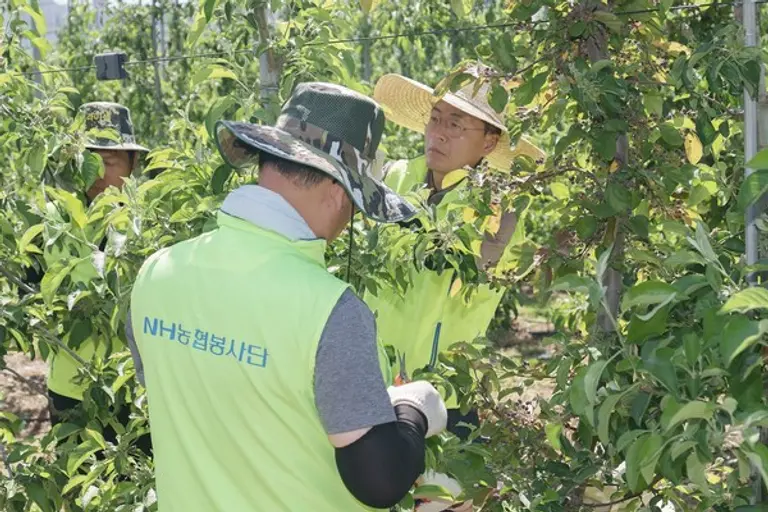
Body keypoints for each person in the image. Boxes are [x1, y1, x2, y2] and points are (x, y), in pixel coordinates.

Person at [125, 82, 449, 511]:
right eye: (354, 204)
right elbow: (378, 480)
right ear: (338, 193)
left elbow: (210, 397)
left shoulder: (157, 274)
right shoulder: (329, 309)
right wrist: (414, 411)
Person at [362, 63, 546, 507]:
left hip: (444, 395)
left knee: (440, 499)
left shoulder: (498, 208)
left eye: (456, 124)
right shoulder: (395, 179)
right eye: (436, 119)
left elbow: (474, 266)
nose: (439, 133)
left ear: (489, 142)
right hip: (370, 379)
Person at [32, 102, 152, 454]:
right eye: (87, 161)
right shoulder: (51, 219)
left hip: (135, 390)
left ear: (134, 164)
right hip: (71, 389)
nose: (98, 174)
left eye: (110, 162)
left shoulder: (149, 226)